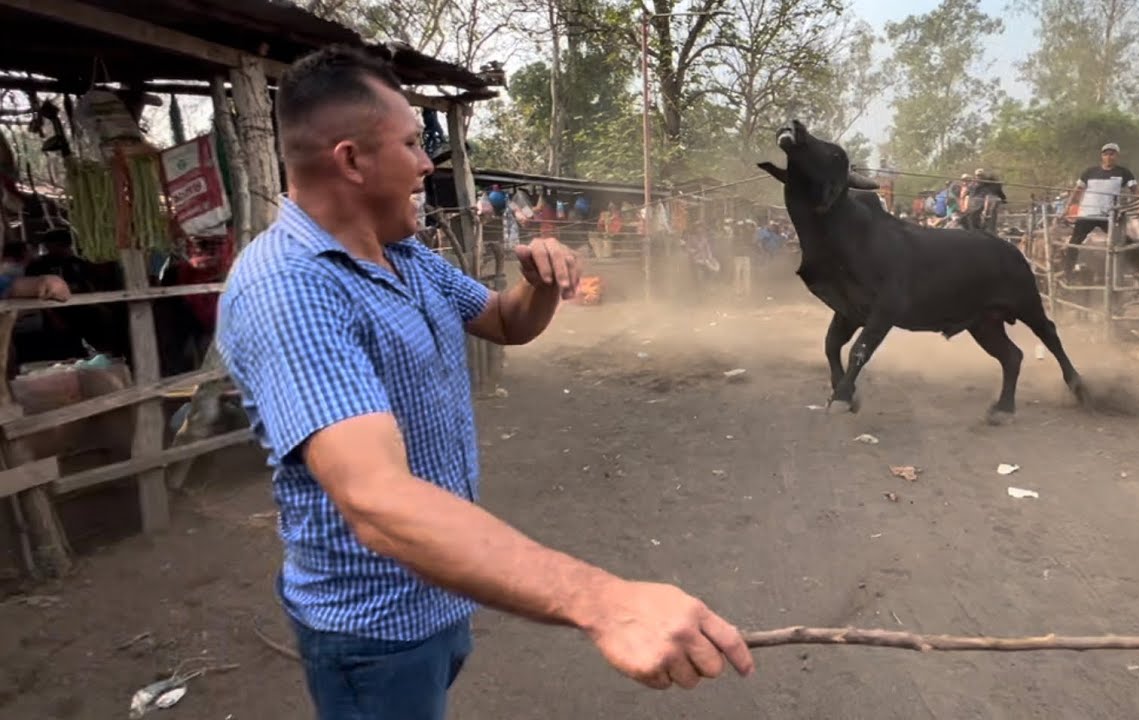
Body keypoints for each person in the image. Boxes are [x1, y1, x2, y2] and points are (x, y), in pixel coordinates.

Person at [215, 45, 753, 720]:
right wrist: (603, 601)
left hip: (443, 592)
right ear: (351, 161)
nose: (427, 164)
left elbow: (502, 321)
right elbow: (376, 500)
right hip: (374, 628)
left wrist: (541, 283)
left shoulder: (405, 255)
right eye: (411, 144)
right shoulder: (289, 289)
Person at [1061, 142, 1139, 276]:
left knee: (1125, 240)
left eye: (1112, 154)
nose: (1109, 157)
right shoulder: (1089, 172)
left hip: (1108, 216)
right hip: (1088, 214)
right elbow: (1077, 191)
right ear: (1102, 156)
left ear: (1117, 156)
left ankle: (1137, 269)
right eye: (1106, 154)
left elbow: (1135, 190)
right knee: (1074, 242)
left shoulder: (1124, 172)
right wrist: (1067, 208)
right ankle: (1067, 272)